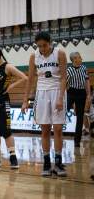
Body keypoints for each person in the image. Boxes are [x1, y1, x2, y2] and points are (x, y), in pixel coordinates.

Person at [22, 32, 68, 177]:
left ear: (50, 42)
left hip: (56, 91)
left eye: (45, 45)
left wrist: (60, 98)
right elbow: (30, 79)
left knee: (58, 129)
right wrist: (25, 100)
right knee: (45, 130)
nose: (42, 49)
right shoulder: (33, 56)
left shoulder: (59, 53)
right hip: (41, 92)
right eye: (39, 46)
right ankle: (47, 162)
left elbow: (63, 77)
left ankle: (59, 162)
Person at [66, 52, 91, 147]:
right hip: (71, 92)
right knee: (64, 111)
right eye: (79, 57)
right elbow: (65, 84)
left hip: (81, 93)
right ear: (74, 59)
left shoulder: (84, 68)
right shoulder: (69, 70)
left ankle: (77, 140)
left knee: (80, 117)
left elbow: (87, 81)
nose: (81, 59)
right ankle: (58, 130)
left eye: (80, 57)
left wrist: (88, 94)